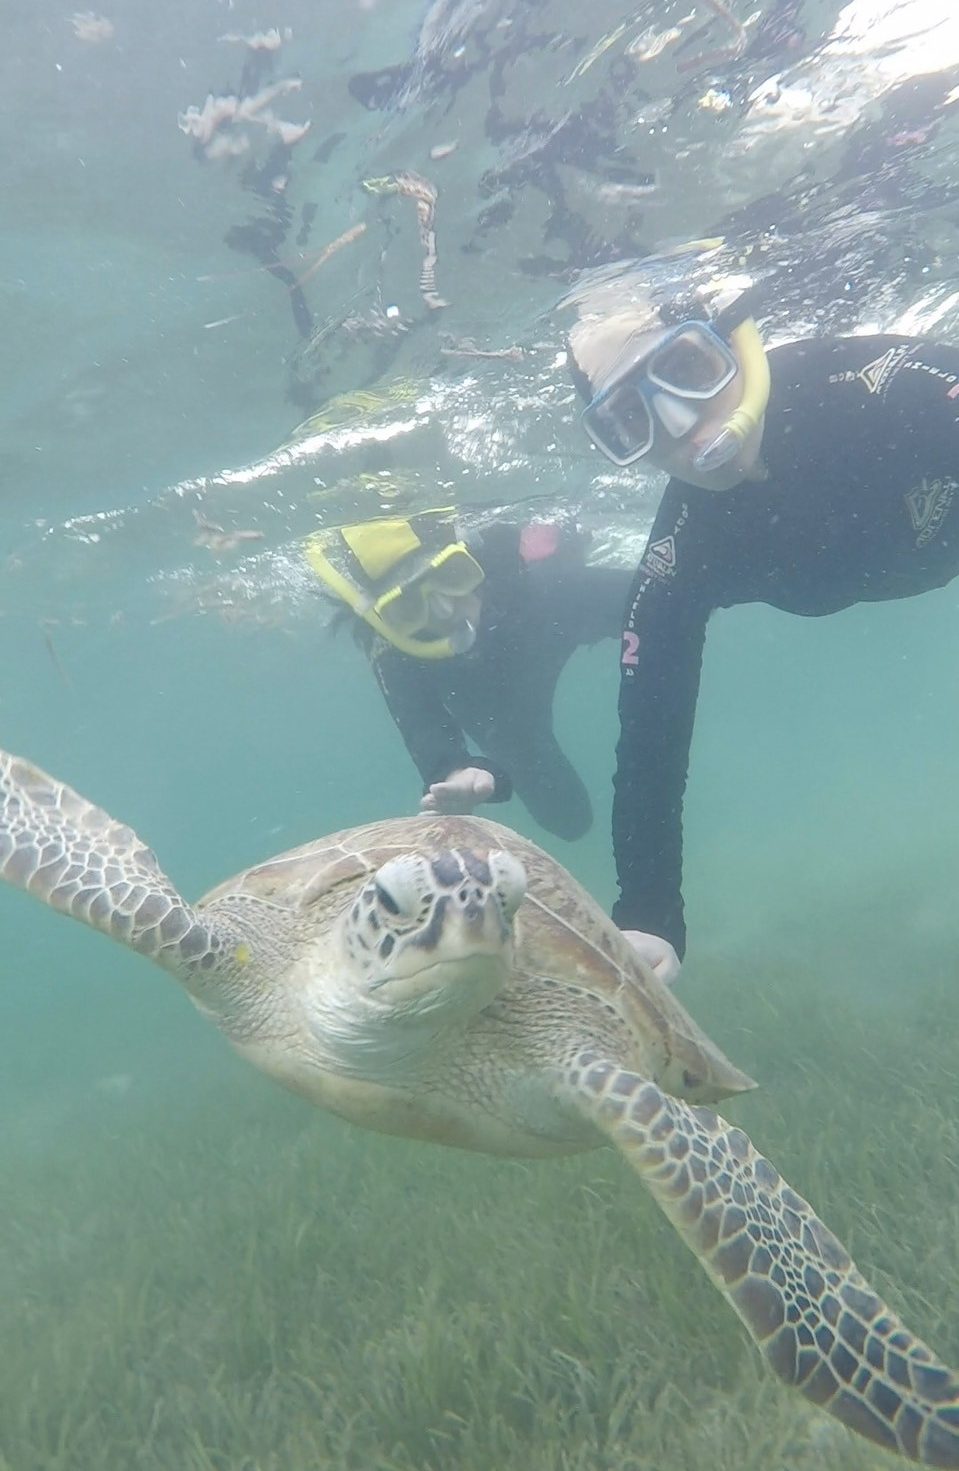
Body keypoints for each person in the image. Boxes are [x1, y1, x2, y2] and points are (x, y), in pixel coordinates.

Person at [564, 239, 959, 982]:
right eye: (629, 419)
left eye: (685, 371)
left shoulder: (873, 384)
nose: (679, 424)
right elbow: (649, 735)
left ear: (732, 343)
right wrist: (648, 909)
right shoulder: (684, 549)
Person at [305, 508, 632, 840]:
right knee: (569, 818)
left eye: (451, 575)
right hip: (500, 712)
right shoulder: (394, 645)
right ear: (387, 616)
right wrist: (454, 771)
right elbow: (421, 723)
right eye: (408, 605)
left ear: (473, 558)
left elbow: (658, 601)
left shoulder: (540, 587)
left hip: (534, 629)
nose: (445, 610)